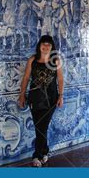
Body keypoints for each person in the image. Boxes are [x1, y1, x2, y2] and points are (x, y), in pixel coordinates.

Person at [18, 35, 64, 167]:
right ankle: (45, 152)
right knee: (40, 126)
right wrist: (22, 95)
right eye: (43, 44)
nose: (45, 47)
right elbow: (26, 78)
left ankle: (36, 156)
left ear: (52, 47)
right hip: (35, 98)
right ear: (39, 46)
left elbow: (60, 79)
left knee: (42, 126)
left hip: (51, 98)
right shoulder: (32, 60)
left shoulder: (55, 60)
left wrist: (61, 96)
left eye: (48, 45)